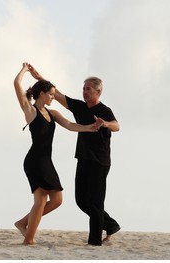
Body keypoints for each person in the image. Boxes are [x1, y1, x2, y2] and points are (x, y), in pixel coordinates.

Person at [28, 64, 121, 246]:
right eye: (84, 89)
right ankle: (110, 225)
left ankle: (94, 241)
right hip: (83, 158)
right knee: (81, 200)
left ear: (98, 92)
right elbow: (59, 95)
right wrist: (39, 78)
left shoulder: (104, 110)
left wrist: (105, 124)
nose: (85, 92)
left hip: (100, 161)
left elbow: (117, 126)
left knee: (95, 201)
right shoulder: (79, 107)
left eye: (89, 89)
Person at [13, 63, 101, 245]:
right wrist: (24, 70)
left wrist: (89, 128)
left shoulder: (52, 113)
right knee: (41, 199)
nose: (54, 97)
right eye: (51, 94)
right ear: (42, 94)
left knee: (57, 200)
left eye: (54, 94)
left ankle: (23, 223)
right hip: (35, 161)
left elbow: (69, 125)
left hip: (46, 161)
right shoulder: (30, 111)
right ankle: (28, 239)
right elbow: (17, 84)